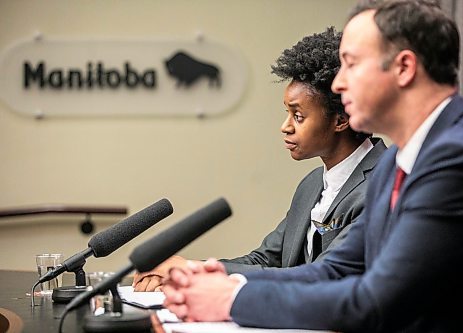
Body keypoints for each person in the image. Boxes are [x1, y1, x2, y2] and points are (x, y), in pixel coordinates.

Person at [161, 1, 463, 332]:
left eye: (351, 64)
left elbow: (376, 302)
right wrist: (222, 278)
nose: (338, 84)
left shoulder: (459, 160)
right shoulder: (395, 164)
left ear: (404, 68)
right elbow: (334, 270)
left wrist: (231, 300)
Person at [133, 27, 386, 292]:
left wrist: (188, 270)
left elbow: (323, 276)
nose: (285, 127)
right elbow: (266, 260)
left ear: (341, 120)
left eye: (298, 116)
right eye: (287, 114)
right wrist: (189, 272)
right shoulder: (312, 184)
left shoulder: (384, 182)